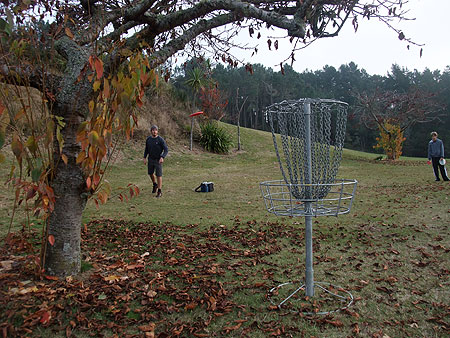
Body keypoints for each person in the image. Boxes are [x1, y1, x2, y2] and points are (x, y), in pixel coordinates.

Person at [143, 125, 169, 197]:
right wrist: (144, 157)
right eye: (153, 130)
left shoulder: (160, 140)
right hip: (150, 159)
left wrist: (162, 157)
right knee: (150, 173)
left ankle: (159, 191)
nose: (154, 131)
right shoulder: (148, 139)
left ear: (157, 131)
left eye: (156, 130)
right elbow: (146, 149)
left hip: (158, 160)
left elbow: (166, 150)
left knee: (158, 175)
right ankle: (155, 184)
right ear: (151, 131)